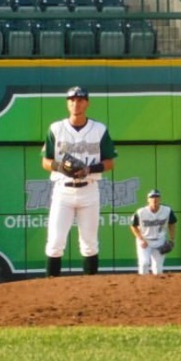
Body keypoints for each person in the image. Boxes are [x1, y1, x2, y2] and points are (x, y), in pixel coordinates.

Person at [41, 86, 117, 277]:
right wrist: (61, 167)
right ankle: (51, 287)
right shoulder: (56, 128)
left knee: (90, 244)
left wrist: (89, 169)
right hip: (63, 191)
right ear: (67, 103)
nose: (76, 103)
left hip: (89, 190)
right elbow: (45, 161)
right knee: (55, 242)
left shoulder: (99, 129)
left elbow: (109, 162)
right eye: (72, 99)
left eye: (80, 99)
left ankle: (90, 290)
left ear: (87, 103)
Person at [129, 189, 177, 276]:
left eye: (156, 197)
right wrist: (140, 239)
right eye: (152, 197)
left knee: (158, 269)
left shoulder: (167, 211)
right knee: (144, 264)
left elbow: (172, 224)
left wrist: (172, 239)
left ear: (160, 199)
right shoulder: (141, 212)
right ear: (148, 199)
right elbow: (133, 226)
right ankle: (144, 286)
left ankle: (157, 288)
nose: (154, 199)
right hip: (145, 240)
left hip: (160, 240)